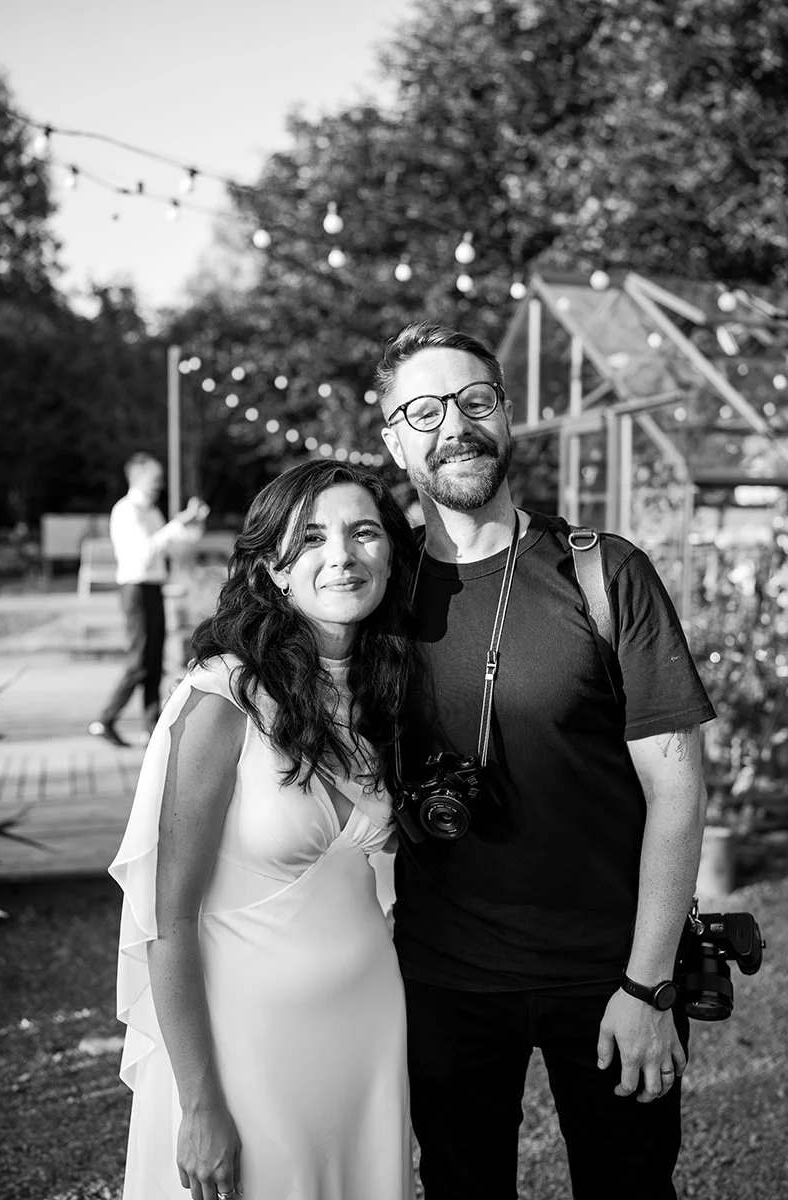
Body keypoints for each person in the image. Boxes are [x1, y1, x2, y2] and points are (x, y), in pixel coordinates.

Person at [375, 320, 716, 1200]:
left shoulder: (608, 573)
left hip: (607, 975)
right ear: (393, 437)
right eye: (423, 409)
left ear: (506, 412)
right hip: (442, 981)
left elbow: (677, 793)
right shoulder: (374, 596)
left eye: (473, 399)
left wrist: (648, 989)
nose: (454, 424)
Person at [109, 460, 418, 1200]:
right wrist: (200, 1102)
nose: (341, 555)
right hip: (244, 1054)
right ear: (273, 568)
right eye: (309, 537)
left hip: (367, 1038)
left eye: (363, 532)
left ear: (390, 556)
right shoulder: (221, 699)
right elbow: (165, 916)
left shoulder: (389, 690)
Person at [89, 453, 209, 747]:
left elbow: (174, 547)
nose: (159, 484)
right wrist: (176, 523)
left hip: (154, 588)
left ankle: (152, 725)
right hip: (135, 589)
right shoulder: (126, 511)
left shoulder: (153, 512)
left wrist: (194, 524)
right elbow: (144, 554)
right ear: (138, 477)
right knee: (140, 660)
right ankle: (104, 719)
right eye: (155, 478)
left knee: (154, 659)